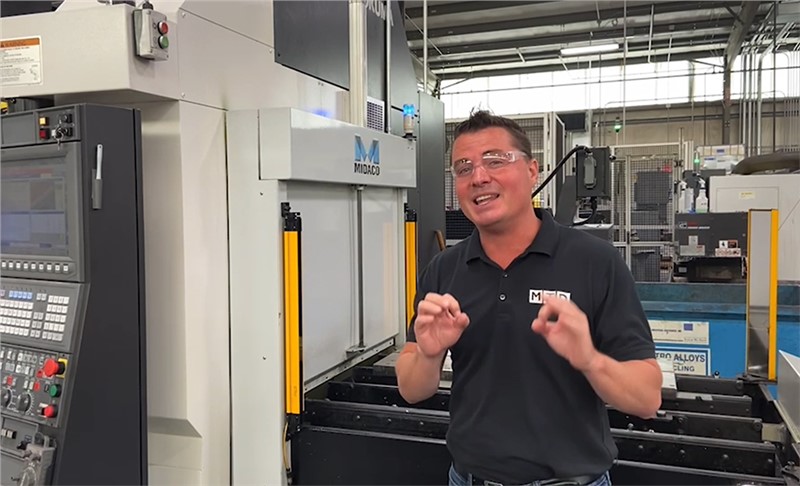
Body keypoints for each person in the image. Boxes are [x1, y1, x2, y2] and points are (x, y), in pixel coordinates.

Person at [395, 110, 662, 486]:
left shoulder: (594, 262)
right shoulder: (444, 269)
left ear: (532, 170)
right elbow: (412, 390)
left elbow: (647, 399)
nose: (478, 177)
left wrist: (589, 359)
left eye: (495, 160)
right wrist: (428, 353)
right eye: (463, 168)